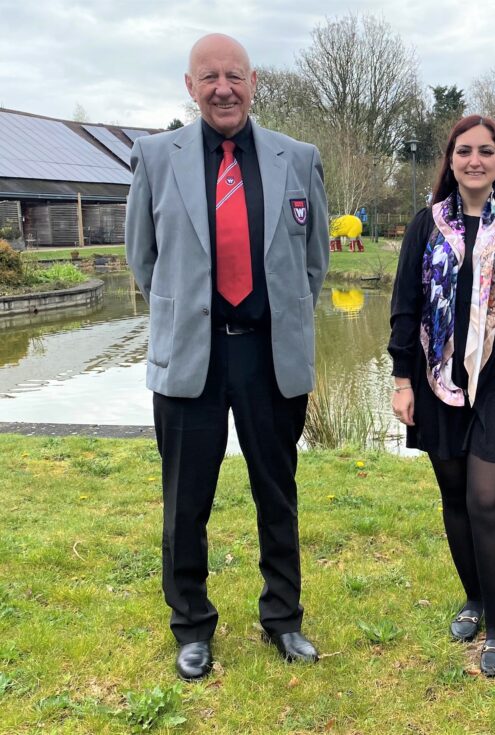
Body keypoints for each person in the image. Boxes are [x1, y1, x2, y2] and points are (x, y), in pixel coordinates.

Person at [125, 33, 328, 680]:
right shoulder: (156, 157)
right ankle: (191, 624)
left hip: (269, 355)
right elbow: (143, 257)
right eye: (209, 76)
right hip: (192, 356)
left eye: (234, 75)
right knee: (186, 499)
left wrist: (278, 315)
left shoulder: (298, 158)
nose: (222, 88)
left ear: (254, 81)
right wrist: (190, 311)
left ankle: (283, 618)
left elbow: (313, 262)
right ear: (190, 86)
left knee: (278, 492)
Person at [388, 116, 495, 677]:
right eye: (464, 151)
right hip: (436, 383)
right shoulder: (424, 226)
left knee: (487, 500)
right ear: (450, 161)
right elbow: (405, 306)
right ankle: (474, 600)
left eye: (486, 151)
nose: (474, 160)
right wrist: (402, 379)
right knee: (455, 497)